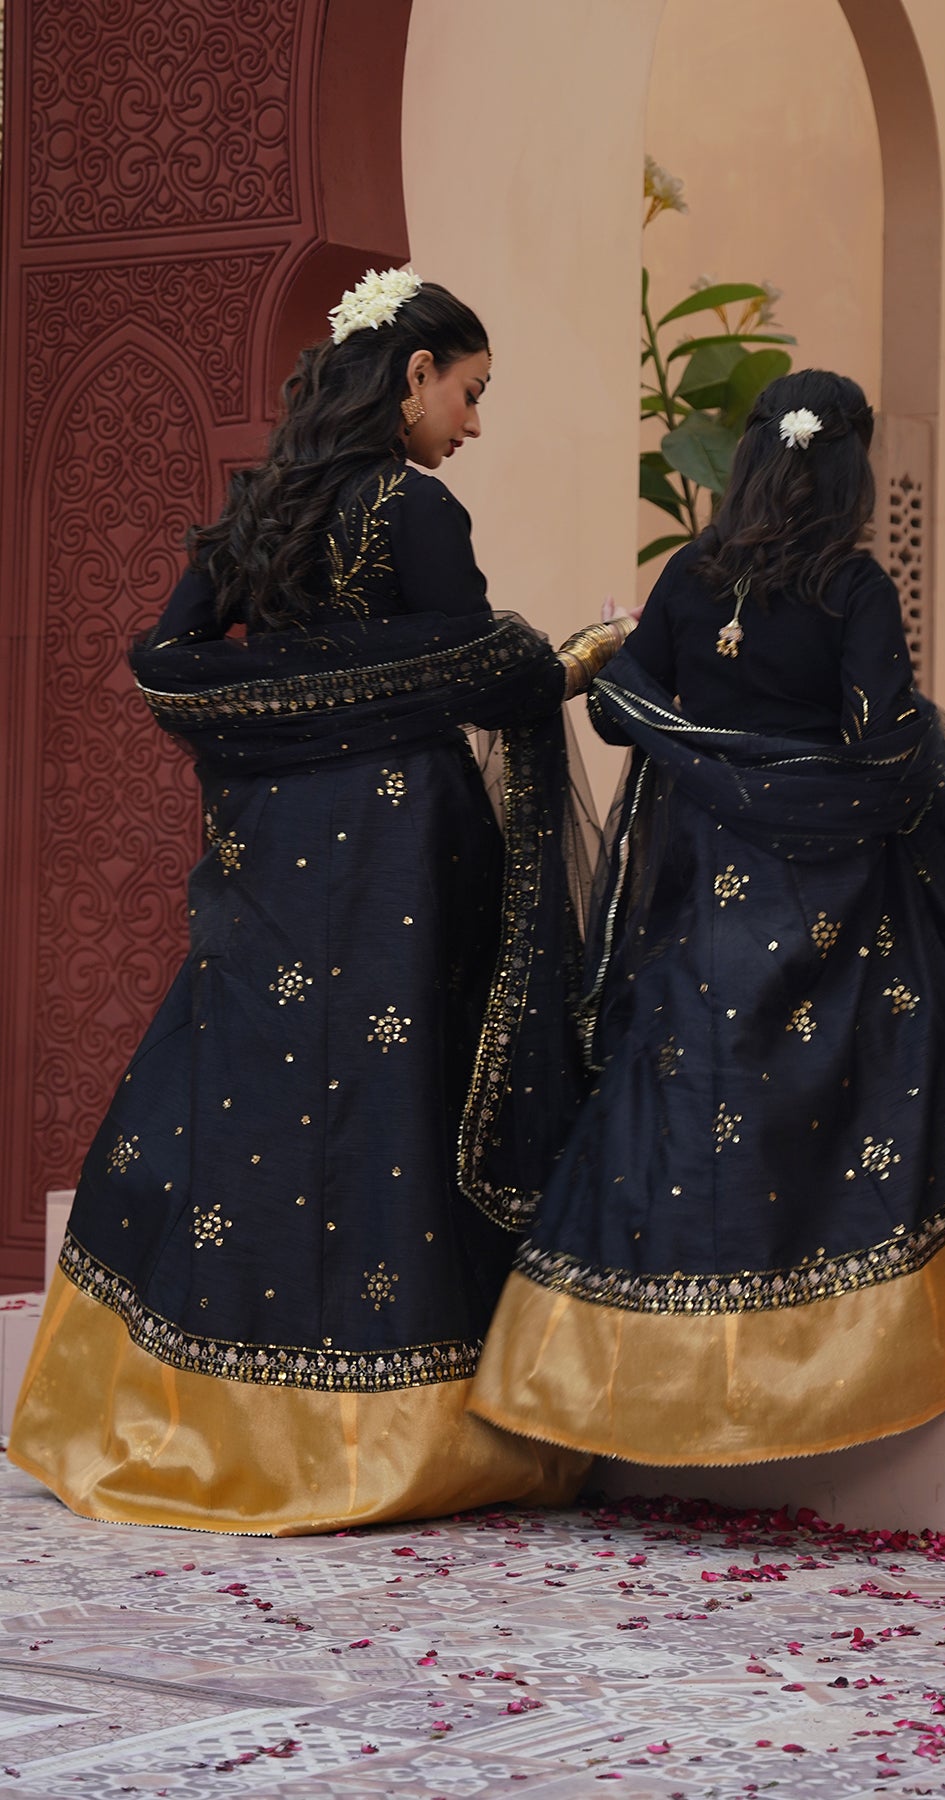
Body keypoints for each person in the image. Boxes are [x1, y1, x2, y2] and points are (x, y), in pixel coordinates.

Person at [469, 369, 945, 1469]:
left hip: (701, 884)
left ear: (751, 458)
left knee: (689, 1091)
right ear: (852, 467)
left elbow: (622, 716)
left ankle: (636, 1375)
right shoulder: (852, 585)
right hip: (835, 886)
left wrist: (687, 726)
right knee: (890, 1070)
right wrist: (917, 757)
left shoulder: (690, 574)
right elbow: (883, 742)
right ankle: (875, 1337)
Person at [9, 269, 628, 1533]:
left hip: (277, 852)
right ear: (415, 374)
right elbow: (484, 672)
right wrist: (573, 659)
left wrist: (301, 679)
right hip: (402, 850)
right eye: (470, 391)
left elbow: (168, 663)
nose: (473, 421)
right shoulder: (415, 508)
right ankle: (397, 1428)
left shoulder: (261, 510)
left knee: (249, 1091)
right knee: (394, 1099)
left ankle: (200, 1414)